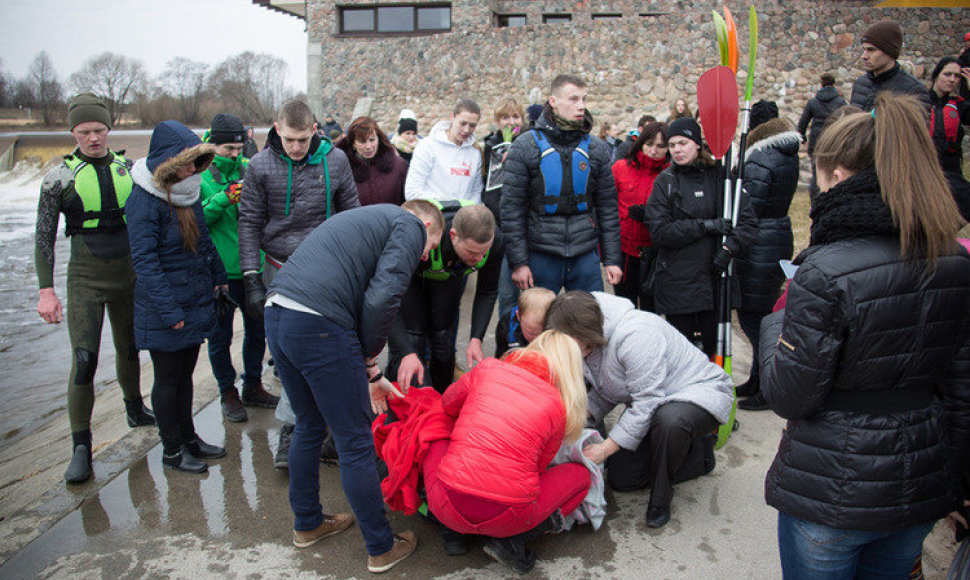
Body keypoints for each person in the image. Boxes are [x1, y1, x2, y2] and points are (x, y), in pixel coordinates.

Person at [759, 93, 970, 579]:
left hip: (831, 487)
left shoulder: (824, 271)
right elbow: (961, 392)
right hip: (919, 480)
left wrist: (777, 323)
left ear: (836, 174)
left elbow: (789, 394)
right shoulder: (956, 261)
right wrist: (950, 482)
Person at [263, 200, 444, 573]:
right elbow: (381, 299)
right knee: (355, 440)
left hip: (279, 312)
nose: (424, 258)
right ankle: (381, 546)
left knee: (309, 424)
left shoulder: (368, 219)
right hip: (320, 324)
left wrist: (372, 374)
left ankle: (308, 523)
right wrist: (368, 358)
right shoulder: (409, 226)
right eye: (430, 248)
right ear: (427, 225)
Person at [34, 93, 155, 484]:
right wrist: (45, 290)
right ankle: (81, 447)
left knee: (130, 346)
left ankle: (135, 408)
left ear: (108, 130)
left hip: (128, 275)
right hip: (85, 278)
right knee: (84, 359)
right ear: (73, 132)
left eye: (99, 130)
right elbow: (43, 239)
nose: (93, 138)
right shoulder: (59, 179)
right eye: (84, 132)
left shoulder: (131, 169)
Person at [238, 98, 360, 469]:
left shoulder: (336, 161)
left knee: (333, 350)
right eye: (289, 139)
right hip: (279, 267)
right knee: (289, 355)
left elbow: (351, 214)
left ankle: (332, 432)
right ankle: (291, 431)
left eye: (302, 140)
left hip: (327, 268)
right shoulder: (259, 167)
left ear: (314, 132)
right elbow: (249, 222)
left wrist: (356, 267)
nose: (295, 147)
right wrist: (250, 278)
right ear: (277, 129)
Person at [544, 291, 734, 529]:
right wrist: (579, 417)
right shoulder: (587, 342)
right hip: (656, 401)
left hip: (699, 392)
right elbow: (608, 389)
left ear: (582, 334)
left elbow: (647, 402)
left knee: (670, 422)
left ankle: (661, 497)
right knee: (624, 479)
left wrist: (605, 448)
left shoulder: (637, 336)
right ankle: (698, 457)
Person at [422, 330, 591, 574]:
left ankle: (451, 530)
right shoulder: (558, 405)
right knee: (581, 478)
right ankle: (515, 540)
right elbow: (538, 468)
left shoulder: (488, 369)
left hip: (448, 505)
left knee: (435, 430)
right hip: (510, 518)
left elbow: (448, 403)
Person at [126, 120, 228, 474]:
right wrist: (169, 311)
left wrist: (218, 278)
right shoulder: (143, 200)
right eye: (184, 163)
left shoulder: (188, 190)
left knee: (185, 375)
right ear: (166, 162)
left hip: (193, 296)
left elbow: (203, 242)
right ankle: (171, 451)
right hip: (164, 306)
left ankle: (189, 438)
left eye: (195, 162)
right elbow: (145, 262)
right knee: (167, 380)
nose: (191, 170)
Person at [644, 117, 756, 357]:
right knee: (681, 353)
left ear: (697, 144)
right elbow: (660, 232)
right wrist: (705, 226)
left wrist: (728, 250)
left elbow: (747, 223)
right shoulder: (665, 182)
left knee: (714, 352)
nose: (676, 150)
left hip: (716, 281)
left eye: (682, 143)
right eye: (672, 145)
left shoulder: (721, 179)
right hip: (678, 283)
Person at [502, 74, 623, 295]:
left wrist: (612, 259)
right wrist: (518, 262)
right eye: (573, 99)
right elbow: (512, 209)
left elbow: (607, 207)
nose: (581, 106)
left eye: (584, 99)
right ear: (553, 101)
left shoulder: (596, 149)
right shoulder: (525, 146)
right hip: (540, 253)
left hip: (584, 254)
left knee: (587, 324)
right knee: (537, 325)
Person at [200, 113, 279, 423]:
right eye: (228, 148)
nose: (236, 153)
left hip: (253, 268)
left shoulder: (251, 168)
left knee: (257, 331)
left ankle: (253, 385)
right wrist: (224, 198)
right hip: (218, 272)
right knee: (219, 337)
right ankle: (226, 391)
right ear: (212, 144)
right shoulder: (201, 175)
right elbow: (197, 221)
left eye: (239, 146)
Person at [387, 203, 501, 392]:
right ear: (453, 235)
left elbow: (487, 292)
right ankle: (401, 394)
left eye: (483, 252)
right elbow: (389, 301)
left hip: (448, 278)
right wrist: (406, 351)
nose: (479, 259)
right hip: (413, 276)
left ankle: (440, 398)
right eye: (472, 253)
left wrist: (476, 338)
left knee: (442, 340)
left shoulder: (495, 241)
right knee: (413, 338)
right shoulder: (427, 240)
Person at [731, 115, 800, 410]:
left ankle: (766, 387)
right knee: (758, 315)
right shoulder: (787, 155)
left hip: (758, 243)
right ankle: (757, 379)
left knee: (754, 319)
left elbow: (748, 206)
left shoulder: (761, 158)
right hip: (776, 236)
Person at [611, 121, 669, 310]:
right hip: (625, 251)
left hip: (654, 254)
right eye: (649, 144)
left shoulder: (671, 175)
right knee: (624, 307)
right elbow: (607, 208)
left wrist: (651, 216)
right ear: (641, 143)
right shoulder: (620, 168)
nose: (654, 151)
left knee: (650, 310)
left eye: (661, 146)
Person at [481, 98, 525, 319]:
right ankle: (506, 338)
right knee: (506, 292)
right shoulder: (489, 146)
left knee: (530, 294)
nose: (511, 122)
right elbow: (488, 188)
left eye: (516, 117)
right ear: (497, 121)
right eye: (506, 117)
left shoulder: (529, 142)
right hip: (500, 224)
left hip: (526, 226)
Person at [404, 98, 483, 204]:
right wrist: (447, 205)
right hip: (433, 215)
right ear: (452, 117)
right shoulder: (427, 146)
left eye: (472, 125)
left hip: (463, 217)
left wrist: (467, 207)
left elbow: (476, 191)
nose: (466, 130)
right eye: (462, 123)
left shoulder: (475, 154)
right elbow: (412, 192)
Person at [849, 20, 930, 112]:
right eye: (864, 49)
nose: (864, 56)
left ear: (889, 52)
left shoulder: (913, 90)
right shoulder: (860, 84)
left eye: (871, 50)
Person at [928, 56, 970, 221]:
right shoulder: (921, 100)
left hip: (951, 169)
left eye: (957, 76)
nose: (952, 79)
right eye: (947, 74)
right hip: (926, 166)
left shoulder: (959, 105)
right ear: (937, 75)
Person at [335, 116, 408, 206]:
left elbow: (407, 201)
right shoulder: (342, 170)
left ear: (378, 138)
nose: (368, 146)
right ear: (353, 143)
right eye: (362, 141)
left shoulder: (398, 165)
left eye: (372, 140)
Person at [798, 73, 846, 197]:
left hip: (816, 140)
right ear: (834, 84)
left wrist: (802, 137)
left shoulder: (813, 102)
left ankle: (814, 199)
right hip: (833, 138)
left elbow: (803, 122)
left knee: (816, 171)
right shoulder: (841, 102)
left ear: (821, 84)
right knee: (835, 169)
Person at [494, 287, 555, 358]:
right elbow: (500, 360)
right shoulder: (506, 326)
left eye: (543, 333)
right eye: (531, 333)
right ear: (518, 316)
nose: (536, 339)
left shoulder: (561, 328)